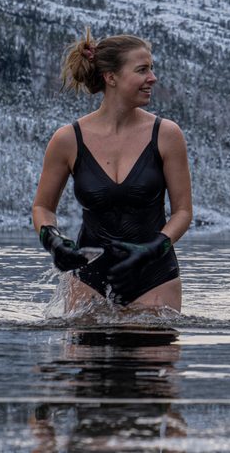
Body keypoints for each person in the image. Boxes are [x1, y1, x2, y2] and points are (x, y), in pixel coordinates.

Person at [30, 31, 192, 312]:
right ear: (111, 77)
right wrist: (53, 240)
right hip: (88, 276)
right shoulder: (68, 139)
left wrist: (154, 248)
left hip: (154, 275)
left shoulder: (166, 134)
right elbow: (42, 207)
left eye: (151, 69)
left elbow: (183, 212)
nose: (152, 78)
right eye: (142, 70)